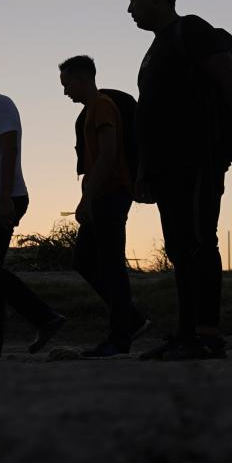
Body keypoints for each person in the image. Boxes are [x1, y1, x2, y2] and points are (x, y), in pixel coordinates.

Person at [125, 0, 232, 360]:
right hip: (166, 166)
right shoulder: (155, 49)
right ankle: (186, 332)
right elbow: (151, 115)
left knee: (199, 242)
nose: (130, 9)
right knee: (179, 247)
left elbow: (230, 82)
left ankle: (206, 334)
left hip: (198, 158)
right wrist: (143, 170)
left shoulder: (191, 29)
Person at [0, 53, 65, 361]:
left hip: (1, 197)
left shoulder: (1, 105)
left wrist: (5, 198)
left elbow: (9, 150)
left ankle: (44, 317)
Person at [58, 55, 150, 357]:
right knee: (84, 260)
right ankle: (132, 319)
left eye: (67, 84)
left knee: (111, 266)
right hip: (101, 196)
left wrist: (86, 198)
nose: (65, 91)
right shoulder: (88, 113)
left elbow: (108, 156)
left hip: (111, 194)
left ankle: (119, 338)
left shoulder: (101, 107)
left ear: (82, 79)